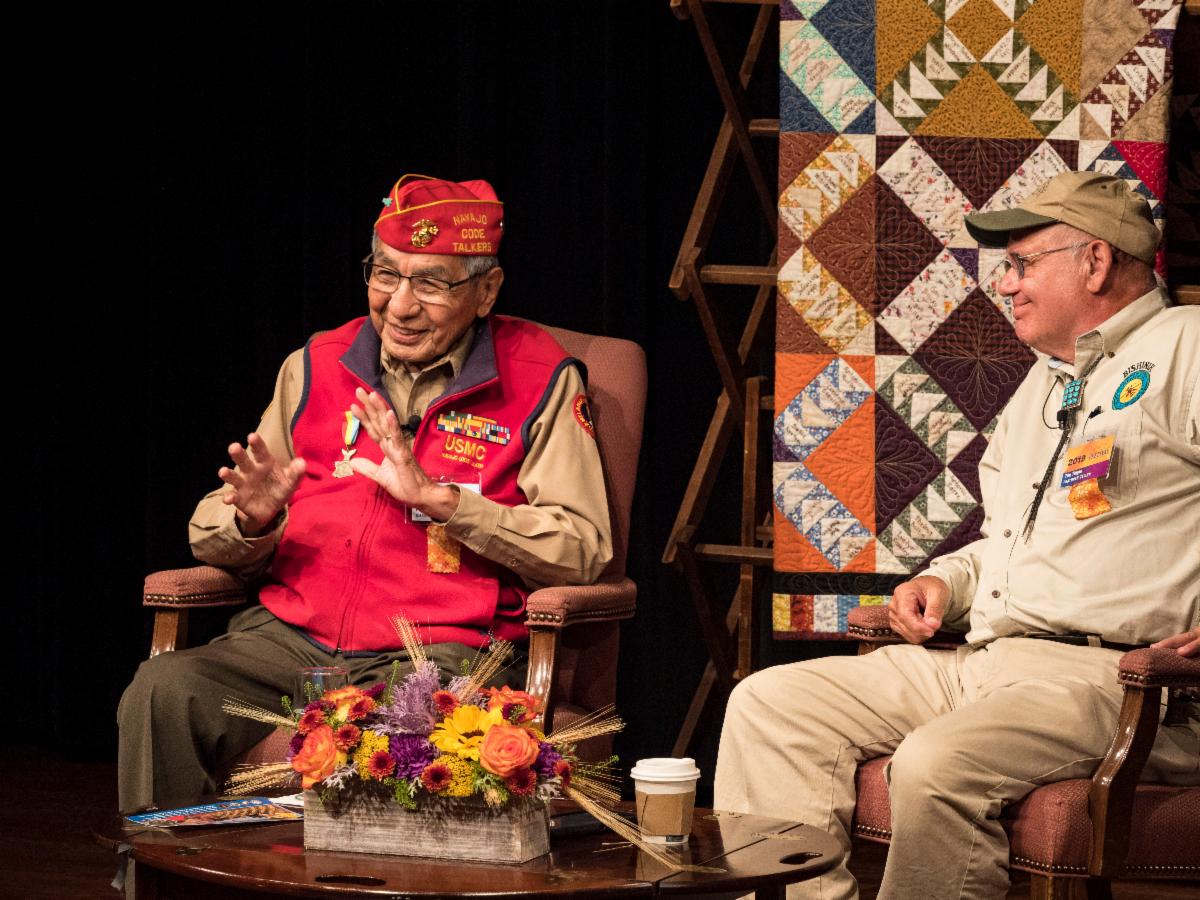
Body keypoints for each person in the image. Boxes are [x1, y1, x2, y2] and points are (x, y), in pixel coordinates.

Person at [715, 171, 1199, 899]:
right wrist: (948, 581)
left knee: (936, 763)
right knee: (770, 705)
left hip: (1115, 681)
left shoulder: (1186, 349)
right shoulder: (1045, 384)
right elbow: (1015, 541)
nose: (1006, 285)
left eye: (1023, 264)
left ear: (1095, 262)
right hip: (989, 659)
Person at [119, 174, 613, 811]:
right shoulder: (316, 363)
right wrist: (255, 523)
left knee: (401, 744)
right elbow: (211, 525)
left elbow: (584, 547)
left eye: (430, 283)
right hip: (291, 639)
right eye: (385, 275)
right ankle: (167, 880)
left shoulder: (540, 378)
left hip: (435, 652)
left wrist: (448, 505)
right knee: (163, 691)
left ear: (486, 290)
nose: (400, 306)